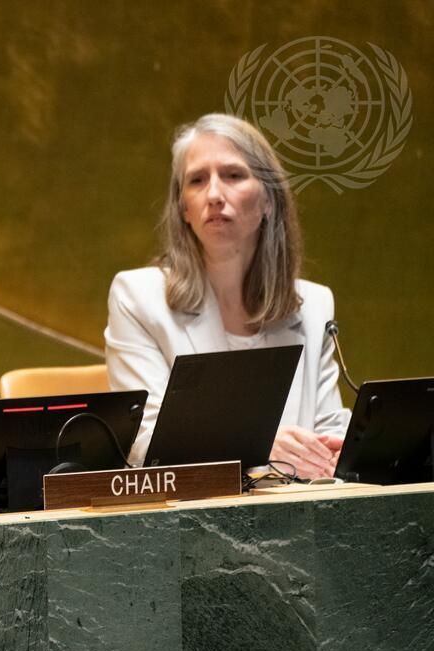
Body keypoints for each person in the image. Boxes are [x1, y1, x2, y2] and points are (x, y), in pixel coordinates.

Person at [105, 113, 351, 479]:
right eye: (197, 180)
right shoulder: (138, 297)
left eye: (234, 175)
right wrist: (259, 446)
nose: (215, 195)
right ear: (184, 209)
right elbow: (143, 439)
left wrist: (344, 448)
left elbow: (328, 426)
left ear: (269, 200)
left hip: (297, 514)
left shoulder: (314, 306)